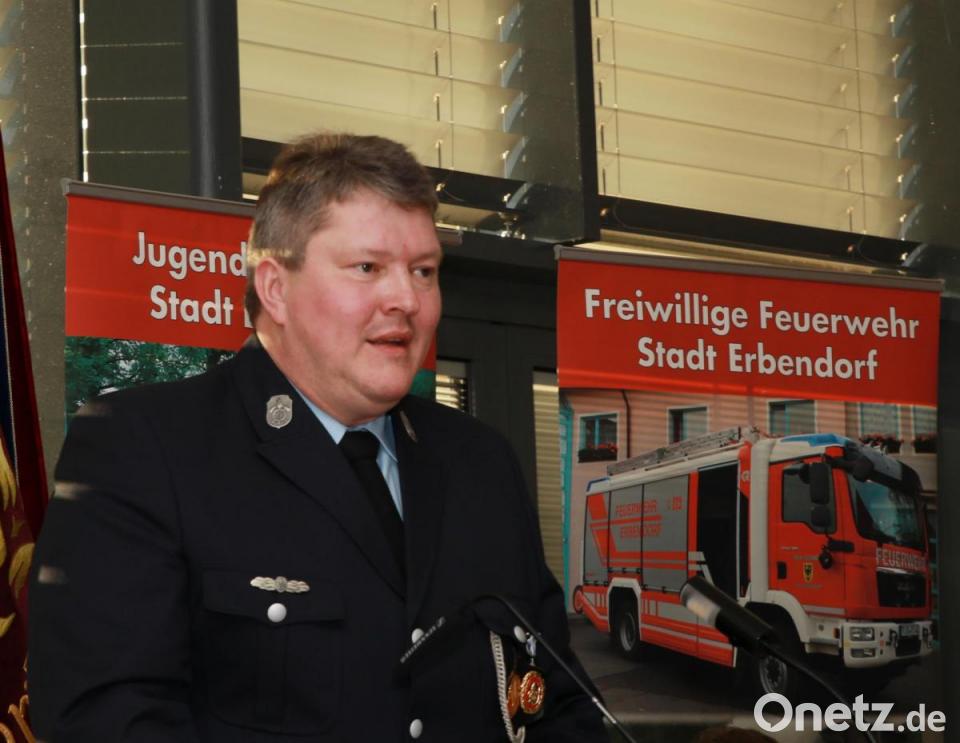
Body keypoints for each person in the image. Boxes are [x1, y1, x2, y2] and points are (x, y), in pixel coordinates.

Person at [28, 133, 606, 742]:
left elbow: (555, 699)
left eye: (424, 271)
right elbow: (108, 721)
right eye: (368, 268)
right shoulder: (144, 448)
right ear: (276, 288)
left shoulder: (480, 463)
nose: (406, 299)